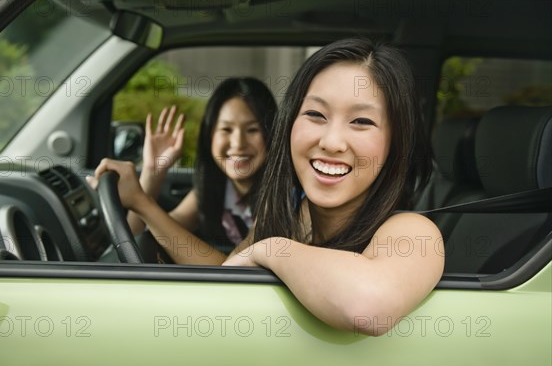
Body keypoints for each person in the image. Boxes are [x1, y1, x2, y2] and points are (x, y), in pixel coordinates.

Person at [223, 38, 445, 336]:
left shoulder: (414, 233)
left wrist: (272, 250)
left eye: (361, 121)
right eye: (315, 115)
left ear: (395, 142)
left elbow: (368, 308)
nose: (331, 142)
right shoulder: (286, 215)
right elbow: (222, 284)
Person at [91, 77, 277, 265]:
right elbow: (137, 239)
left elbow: (232, 270)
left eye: (252, 130)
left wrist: (141, 202)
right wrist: (153, 172)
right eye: (226, 129)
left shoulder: (279, 196)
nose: (238, 143)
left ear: (273, 135)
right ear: (209, 136)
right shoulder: (217, 189)